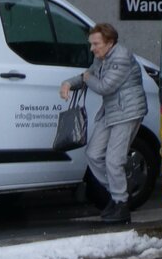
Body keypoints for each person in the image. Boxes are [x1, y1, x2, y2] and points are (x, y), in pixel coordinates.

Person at [59, 22, 148, 225]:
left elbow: (105, 86)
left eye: (95, 44)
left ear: (109, 42)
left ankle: (121, 204)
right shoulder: (102, 57)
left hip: (127, 112)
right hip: (110, 112)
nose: (92, 48)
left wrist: (87, 77)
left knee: (114, 160)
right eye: (91, 44)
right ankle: (118, 195)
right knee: (93, 154)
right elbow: (88, 74)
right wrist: (68, 84)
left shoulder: (121, 57)